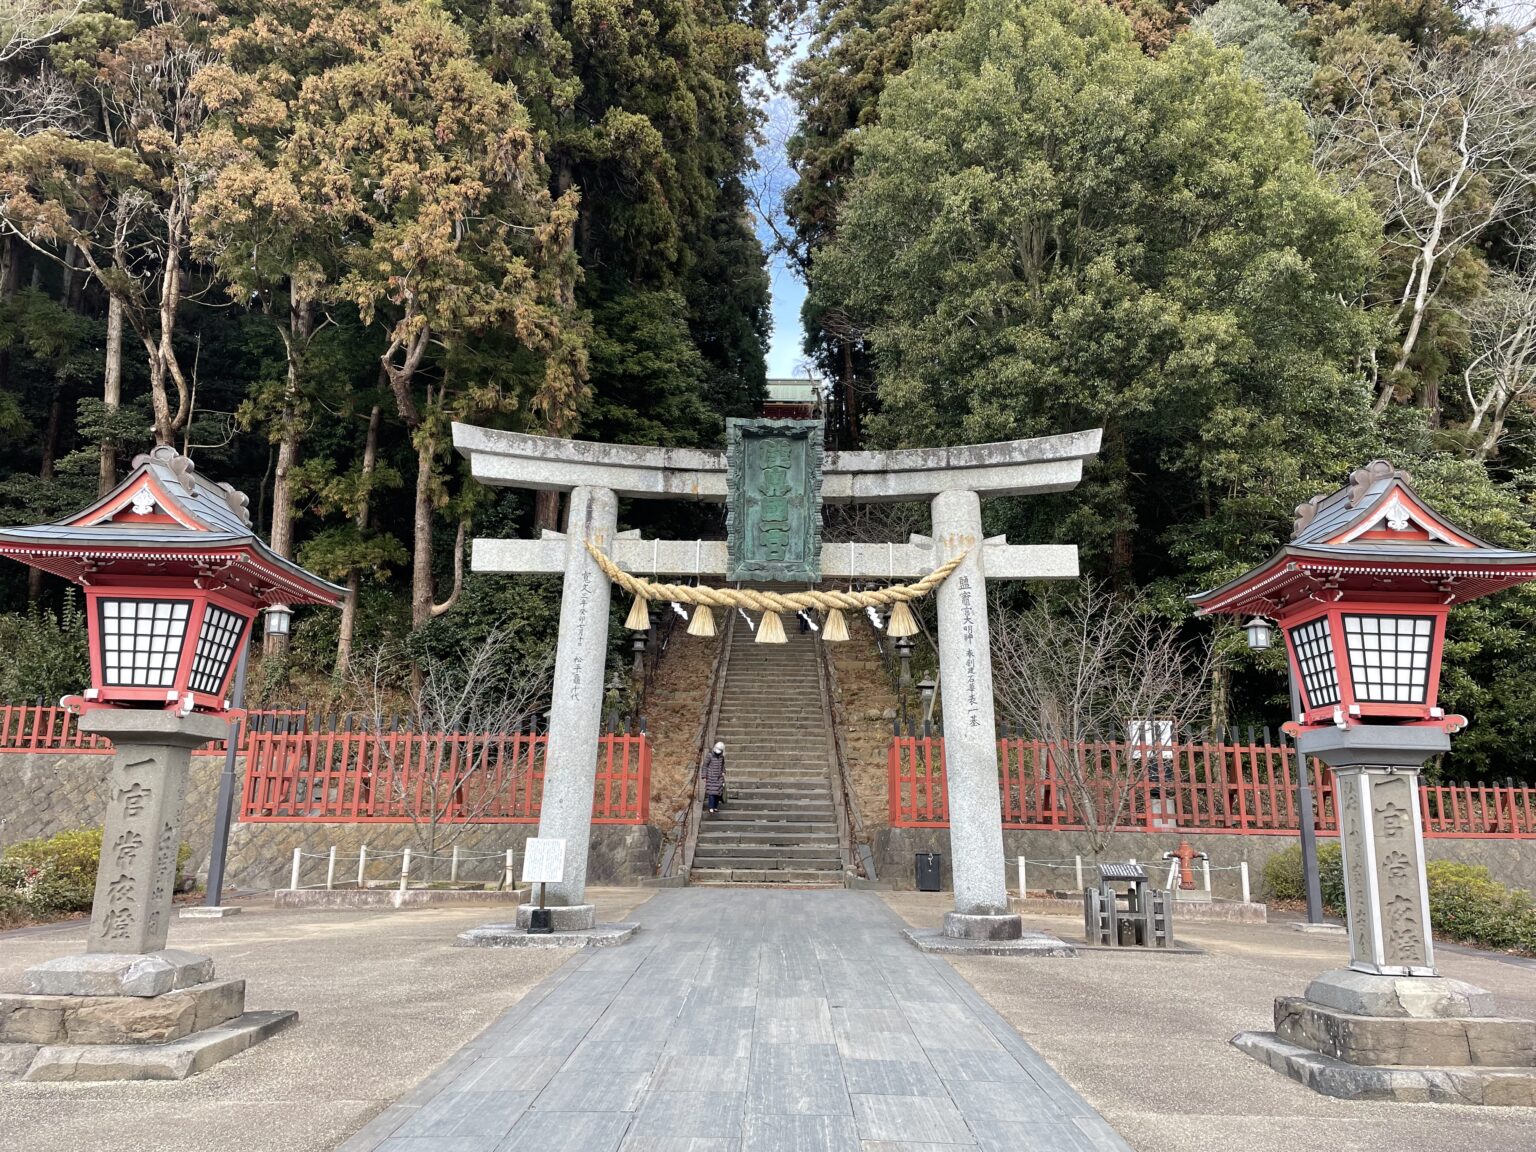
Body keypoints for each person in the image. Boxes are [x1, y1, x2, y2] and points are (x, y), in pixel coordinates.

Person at [702, 741, 726, 814]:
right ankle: (711, 808)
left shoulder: (722, 757)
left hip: (719, 778)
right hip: (711, 777)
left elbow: (723, 765)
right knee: (711, 793)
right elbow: (705, 766)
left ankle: (715, 807)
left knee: (718, 794)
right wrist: (704, 776)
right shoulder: (710, 755)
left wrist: (724, 772)